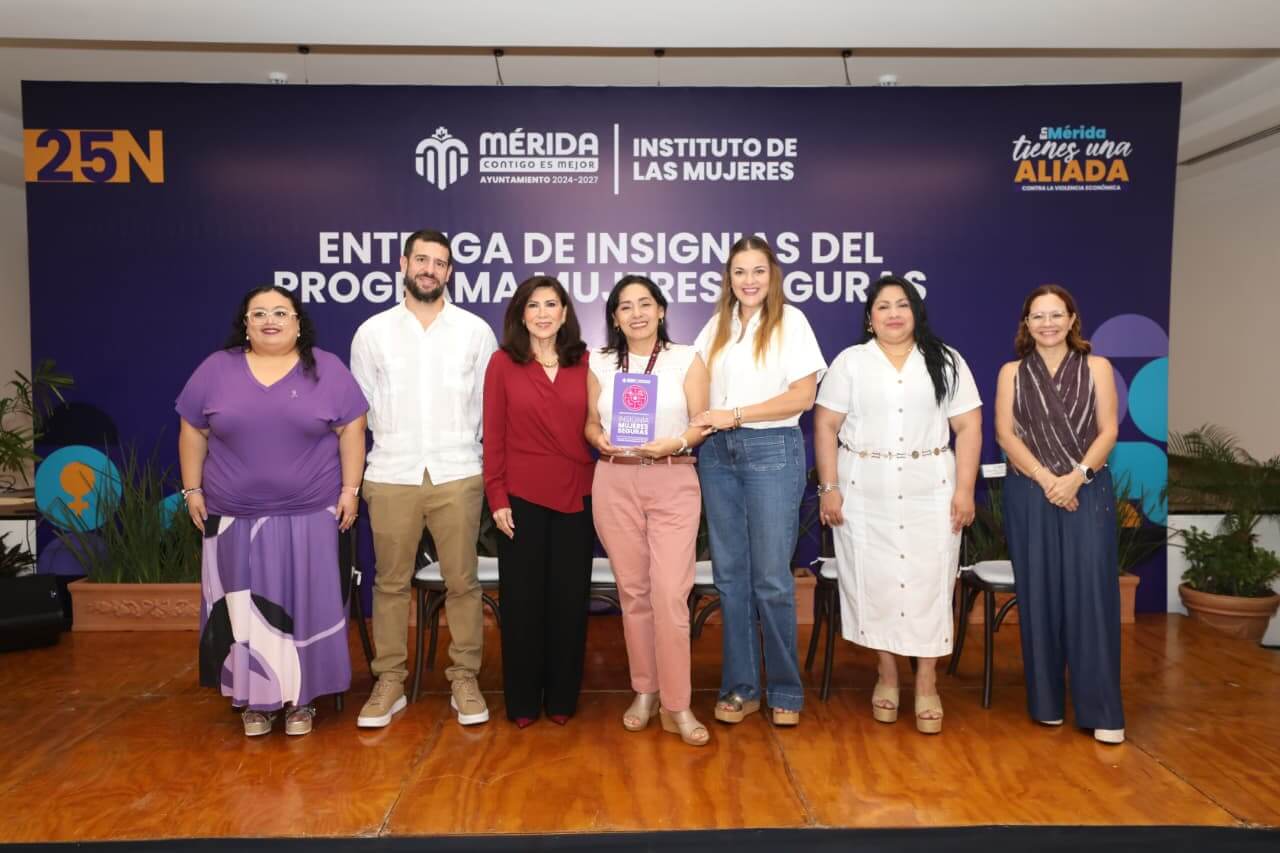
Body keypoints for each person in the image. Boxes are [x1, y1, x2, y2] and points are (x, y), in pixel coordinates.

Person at [177, 285, 368, 737]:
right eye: (258, 313)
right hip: (232, 518)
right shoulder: (215, 370)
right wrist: (191, 490)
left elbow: (353, 429)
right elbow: (192, 431)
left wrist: (351, 489)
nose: (270, 320)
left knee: (305, 607)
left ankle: (302, 701)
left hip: (311, 517)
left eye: (281, 312)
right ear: (245, 324)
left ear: (298, 323)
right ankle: (254, 702)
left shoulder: (327, 369)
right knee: (244, 614)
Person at [813, 275, 982, 734]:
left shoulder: (945, 361)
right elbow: (826, 425)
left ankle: (927, 682)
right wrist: (829, 487)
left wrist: (964, 490)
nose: (893, 313)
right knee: (878, 583)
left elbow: (968, 427)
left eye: (902, 304)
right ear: (869, 318)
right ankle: (886, 675)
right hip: (864, 491)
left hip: (933, 489)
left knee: (929, 583)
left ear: (916, 313)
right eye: (882, 306)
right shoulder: (850, 362)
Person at [350, 229, 497, 729]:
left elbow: (486, 406)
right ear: (404, 263)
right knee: (390, 583)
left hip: (457, 472)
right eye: (422, 260)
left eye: (440, 262)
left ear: (450, 272)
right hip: (392, 473)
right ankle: (389, 681)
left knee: (463, 582)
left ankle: (464, 678)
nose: (430, 269)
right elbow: (362, 408)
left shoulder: (475, 331)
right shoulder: (373, 332)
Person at [691, 236, 827, 728]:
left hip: (771, 450)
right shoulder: (716, 327)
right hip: (718, 456)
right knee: (730, 577)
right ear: (728, 278)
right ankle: (741, 688)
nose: (748, 281)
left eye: (758, 271)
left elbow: (803, 397)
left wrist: (738, 414)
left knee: (771, 578)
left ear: (773, 277)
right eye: (739, 272)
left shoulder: (792, 321)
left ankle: (786, 690)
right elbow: (694, 388)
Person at [994, 284, 1124, 744]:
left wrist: (1076, 477)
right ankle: (1045, 701)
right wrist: (1049, 481)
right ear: (1025, 324)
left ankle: (1102, 709)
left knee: (1091, 595)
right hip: (1031, 491)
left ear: (1072, 320)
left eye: (1055, 315)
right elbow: (1005, 435)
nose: (1047, 324)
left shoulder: (1098, 367)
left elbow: (1109, 430)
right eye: (1037, 316)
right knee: (1040, 593)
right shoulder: (1012, 372)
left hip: (1087, 490)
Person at [586, 275, 712, 746]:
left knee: (669, 595)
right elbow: (590, 421)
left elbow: (701, 423)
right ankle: (646, 691)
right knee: (634, 593)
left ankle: (678, 703)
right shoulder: (598, 362)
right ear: (615, 318)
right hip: (614, 479)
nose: (636, 313)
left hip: (673, 476)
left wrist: (675, 442)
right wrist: (596, 437)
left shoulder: (687, 359)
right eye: (625, 307)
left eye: (645, 304)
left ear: (661, 310)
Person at [483, 275, 594, 728]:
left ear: (565, 313)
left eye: (552, 304)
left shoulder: (588, 363)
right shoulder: (502, 363)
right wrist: (497, 496)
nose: (544, 313)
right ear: (521, 315)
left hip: (578, 493)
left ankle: (563, 698)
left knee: (569, 601)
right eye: (534, 305)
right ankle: (524, 700)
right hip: (520, 499)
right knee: (523, 603)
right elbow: (494, 434)